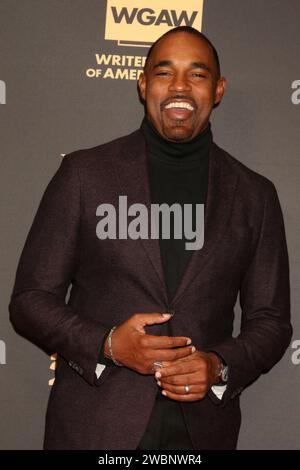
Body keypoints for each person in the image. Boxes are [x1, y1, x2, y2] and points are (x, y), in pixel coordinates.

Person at [9, 26, 292, 450]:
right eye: (164, 73)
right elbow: (30, 300)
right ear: (143, 85)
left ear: (218, 89)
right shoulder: (84, 175)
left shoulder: (255, 195)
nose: (180, 86)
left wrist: (218, 367)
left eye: (197, 74)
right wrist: (109, 346)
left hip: (202, 434)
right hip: (93, 429)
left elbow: (271, 321)